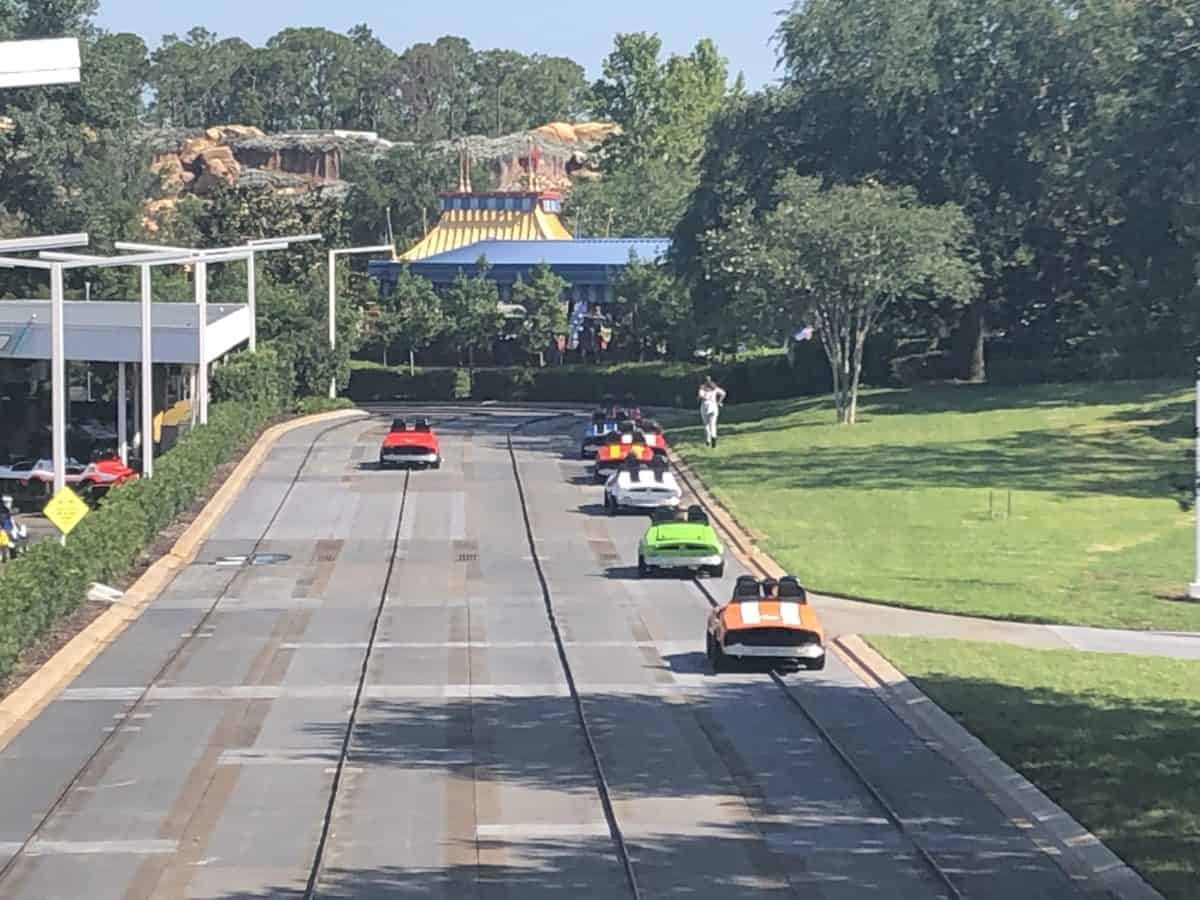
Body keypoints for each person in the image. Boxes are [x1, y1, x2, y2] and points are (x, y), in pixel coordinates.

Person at [698, 376, 726, 448]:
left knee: (706, 424)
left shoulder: (702, 388)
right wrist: (719, 402)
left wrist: (705, 396)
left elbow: (701, 396)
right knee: (713, 424)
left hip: (705, 406)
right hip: (714, 405)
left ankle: (708, 440)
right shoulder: (715, 387)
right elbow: (723, 393)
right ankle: (713, 437)